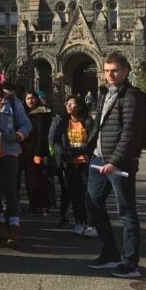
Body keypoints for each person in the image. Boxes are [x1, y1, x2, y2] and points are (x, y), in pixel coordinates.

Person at [85, 52, 144, 278]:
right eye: (107, 70)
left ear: (125, 71)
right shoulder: (104, 93)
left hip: (119, 163)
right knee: (93, 204)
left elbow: (129, 133)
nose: (110, 74)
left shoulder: (130, 96)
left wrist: (114, 161)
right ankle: (110, 253)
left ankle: (130, 263)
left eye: (115, 70)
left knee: (126, 212)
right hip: (98, 159)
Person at [0, 71, 31, 250]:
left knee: (10, 190)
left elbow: (26, 124)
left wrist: (17, 136)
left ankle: (13, 229)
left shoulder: (11, 101)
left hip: (8, 151)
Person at [51, 95, 97, 238]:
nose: (69, 106)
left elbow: (92, 142)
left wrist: (75, 151)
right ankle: (79, 222)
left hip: (85, 163)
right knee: (74, 194)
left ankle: (91, 224)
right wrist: (63, 154)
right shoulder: (63, 122)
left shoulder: (88, 122)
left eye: (72, 103)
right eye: (67, 103)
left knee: (89, 195)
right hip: (70, 164)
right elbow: (56, 141)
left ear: (80, 106)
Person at [23, 91, 57, 222]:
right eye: (28, 98)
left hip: (37, 151)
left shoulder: (41, 114)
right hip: (27, 150)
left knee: (40, 179)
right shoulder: (26, 113)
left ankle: (43, 205)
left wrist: (38, 153)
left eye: (32, 98)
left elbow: (42, 135)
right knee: (32, 179)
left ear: (37, 99)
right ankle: (35, 204)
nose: (30, 100)